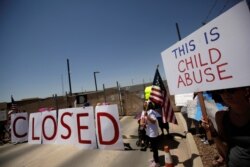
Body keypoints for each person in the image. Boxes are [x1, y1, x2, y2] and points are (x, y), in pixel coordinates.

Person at [203, 86, 250, 167]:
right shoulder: (221, 117)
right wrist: (213, 131)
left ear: (245, 91)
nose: (225, 94)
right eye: (221, 90)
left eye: (231, 90)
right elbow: (225, 151)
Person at [144, 101, 160, 167]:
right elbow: (149, 122)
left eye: (145, 103)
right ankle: (154, 159)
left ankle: (157, 163)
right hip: (150, 132)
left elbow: (154, 121)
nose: (144, 103)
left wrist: (147, 116)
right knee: (153, 147)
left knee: (154, 148)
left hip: (153, 133)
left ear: (148, 105)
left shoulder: (151, 112)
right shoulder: (148, 112)